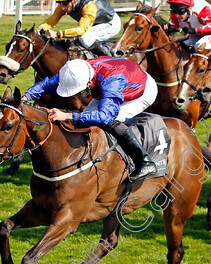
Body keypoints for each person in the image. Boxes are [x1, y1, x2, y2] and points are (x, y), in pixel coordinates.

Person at [22, 57, 158, 183]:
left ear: (88, 83)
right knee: (84, 119)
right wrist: (26, 97)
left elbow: (105, 116)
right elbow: (46, 85)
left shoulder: (111, 82)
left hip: (141, 90)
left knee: (110, 121)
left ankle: (145, 162)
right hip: (117, 80)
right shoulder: (73, 72)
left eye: (79, 92)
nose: (77, 96)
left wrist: (67, 116)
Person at [39, 0, 119, 57]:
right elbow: (53, 19)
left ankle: (110, 59)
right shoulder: (65, 4)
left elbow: (81, 30)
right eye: (60, 2)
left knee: (85, 38)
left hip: (110, 23)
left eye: (65, 3)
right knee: (71, 39)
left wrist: (57, 34)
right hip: (95, 23)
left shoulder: (89, 6)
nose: (63, 7)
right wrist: (41, 29)